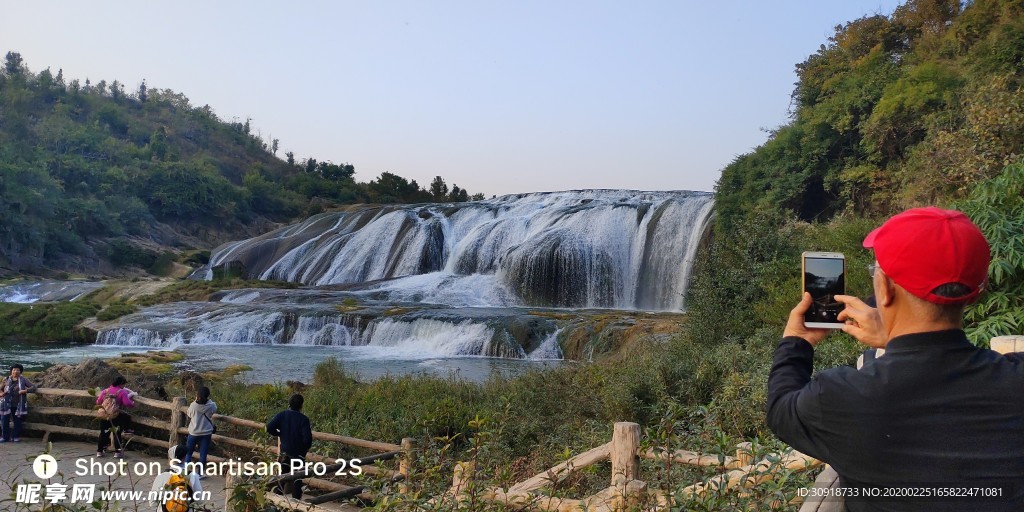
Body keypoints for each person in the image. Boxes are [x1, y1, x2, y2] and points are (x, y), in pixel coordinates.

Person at [767, 207, 1024, 511]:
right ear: (976, 294)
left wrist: (798, 341)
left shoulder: (840, 398)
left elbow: (780, 408)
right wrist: (895, 338)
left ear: (884, 289)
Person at [267, 393, 313, 499]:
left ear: (289, 403)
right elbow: (307, 440)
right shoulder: (303, 419)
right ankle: (295, 505)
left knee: (281, 479)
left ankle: (276, 502)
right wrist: (303, 450)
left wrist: (279, 433)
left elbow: (269, 428)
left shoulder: (282, 415)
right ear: (301, 405)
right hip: (298, 455)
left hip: (284, 453)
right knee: (297, 481)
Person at [150, 444, 204, 512]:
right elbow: (200, 500)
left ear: (170, 458)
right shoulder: (193, 476)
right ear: (184, 457)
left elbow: (152, 502)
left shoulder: (162, 476)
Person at [96, 376, 137, 458]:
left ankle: (99, 451)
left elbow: (98, 402)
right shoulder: (122, 392)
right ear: (121, 384)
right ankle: (117, 452)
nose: (124, 386)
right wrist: (133, 403)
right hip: (116, 415)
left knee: (103, 433)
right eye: (124, 384)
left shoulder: (105, 391)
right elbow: (127, 403)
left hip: (104, 415)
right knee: (117, 433)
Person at [182, 386, 216, 477]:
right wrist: (209, 400)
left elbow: (189, 414)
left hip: (193, 432)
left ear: (198, 395)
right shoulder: (211, 405)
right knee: (203, 454)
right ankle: (200, 474)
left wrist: (195, 401)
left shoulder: (193, 405)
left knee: (189, 453)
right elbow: (214, 409)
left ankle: (186, 472)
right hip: (206, 433)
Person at [0, 364, 37, 442]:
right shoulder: (6, 379)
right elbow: (0, 388)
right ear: (11, 371)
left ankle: (15, 437)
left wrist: (25, 391)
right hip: (6, 404)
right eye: (14, 370)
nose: (15, 371)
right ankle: (4, 437)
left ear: (20, 371)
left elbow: (34, 387)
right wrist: (1, 393)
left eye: (17, 370)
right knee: (4, 420)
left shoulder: (24, 379)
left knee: (17, 421)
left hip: (18, 404)